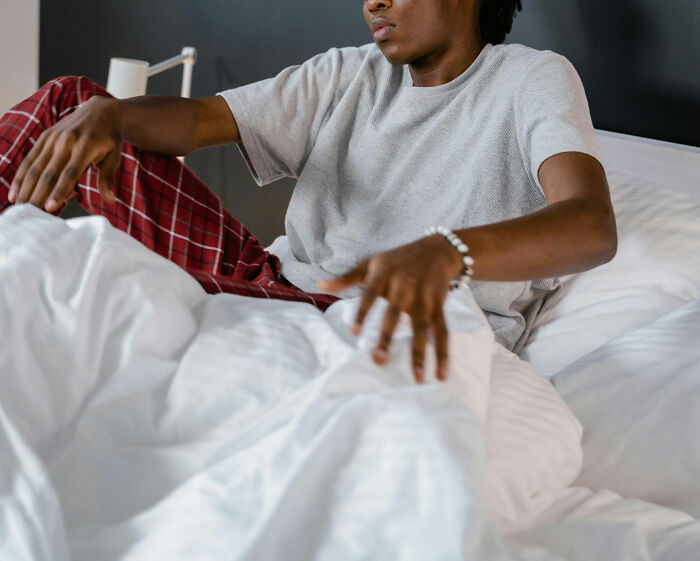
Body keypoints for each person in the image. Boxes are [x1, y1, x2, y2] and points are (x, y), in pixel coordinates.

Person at [0, 0, 616, 383]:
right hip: (272, 284)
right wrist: (112, 116)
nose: (373, 4)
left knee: (115, 296)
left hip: (371, 330)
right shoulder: (349, 72)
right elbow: (200, 119)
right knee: (73, 101)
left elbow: (590, 226)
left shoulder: (530, 78)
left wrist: (449, 250)